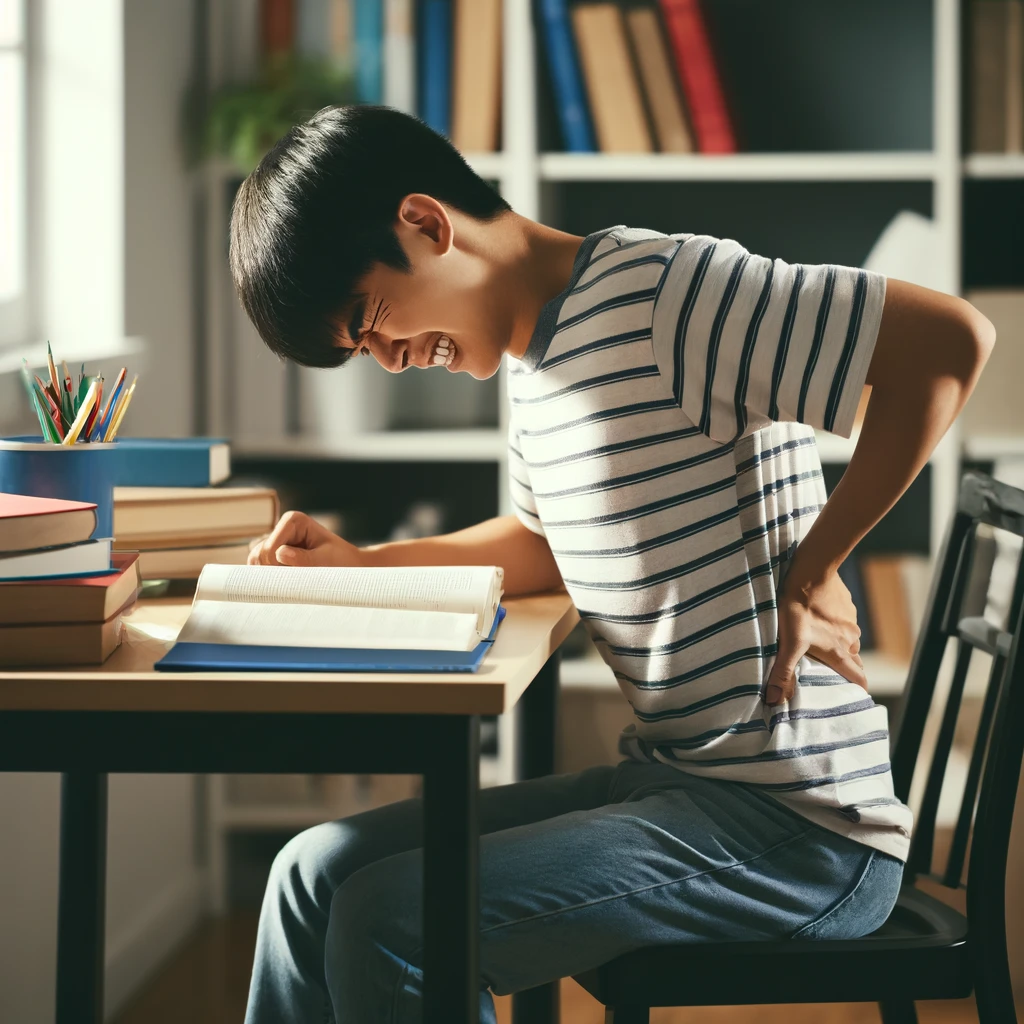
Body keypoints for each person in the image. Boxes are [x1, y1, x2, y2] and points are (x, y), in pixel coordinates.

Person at [230, 105, 995, 1024]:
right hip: (673, 786)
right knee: (310, 874)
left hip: (796, 828)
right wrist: (363, 565)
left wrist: (816, 565)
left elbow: (951, 340)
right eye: (365, 351)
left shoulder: (667, 293)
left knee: (394, 923)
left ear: (426, 225)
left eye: (373, 320)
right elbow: (542, 543)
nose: (390, 362)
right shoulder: (532, 358)